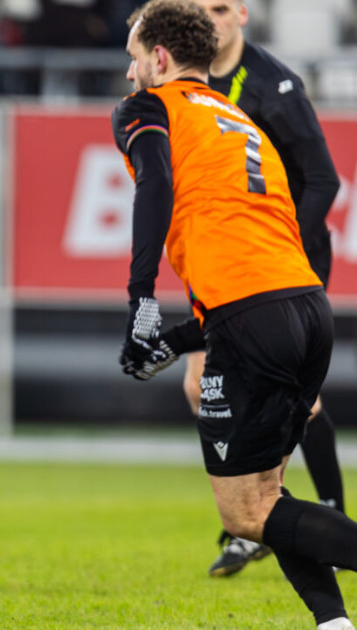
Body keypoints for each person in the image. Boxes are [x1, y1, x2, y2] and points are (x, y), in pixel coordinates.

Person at [116, 2, 357, 628]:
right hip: (304, 308)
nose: (129, 71)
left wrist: (141, 294)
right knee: (267, 497)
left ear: (160, 59)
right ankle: (334, 624)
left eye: (134, 57)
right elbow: (256, 260)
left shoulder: (149, 109)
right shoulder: (239, 119)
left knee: (245, 514)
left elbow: (154, 186)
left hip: (256, 318)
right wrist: (170, 340)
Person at [179, 0, 345, 578]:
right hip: (226, 268)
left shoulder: (274, 84)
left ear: (243, 14)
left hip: (283, 266)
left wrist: (281, 246)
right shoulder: (190, 84)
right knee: (201, 384)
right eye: (201, 9)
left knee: (299, 400)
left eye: (221, 7)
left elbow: (324, 179)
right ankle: (257, 518)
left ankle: (326, 515)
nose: (213, 18)